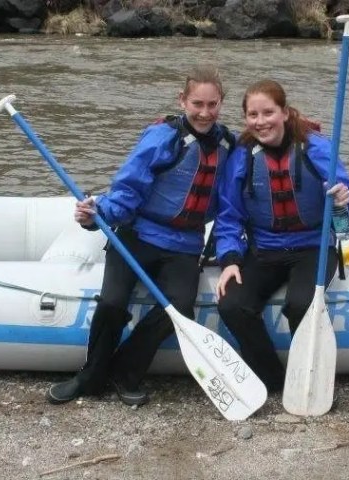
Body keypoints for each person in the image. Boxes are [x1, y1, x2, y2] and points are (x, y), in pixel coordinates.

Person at [46, 65, 234, 406]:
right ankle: (89, 376)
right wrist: (97, 216)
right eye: (197, 104)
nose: (205, 113)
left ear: (221, 103)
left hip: (184, 244)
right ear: (182, 100)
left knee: (179, 306)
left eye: (212, 105)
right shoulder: (162, 137)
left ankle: (125, 371)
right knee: (113, 302)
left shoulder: (228, 145)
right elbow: (129, 188)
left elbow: (235, 199)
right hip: (137, 234)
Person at [214, 79, 349, 393]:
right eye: (252, 115)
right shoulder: (242, 156)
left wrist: (347, 199)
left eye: (268, 112)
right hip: (264, 250)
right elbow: (229, 216)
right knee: (232, 305)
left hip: (314, 247)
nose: (260, 121)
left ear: (283, 112)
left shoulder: (317, 148)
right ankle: (274, 381)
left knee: (302, 304)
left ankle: (308, 380)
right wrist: (229, 259)